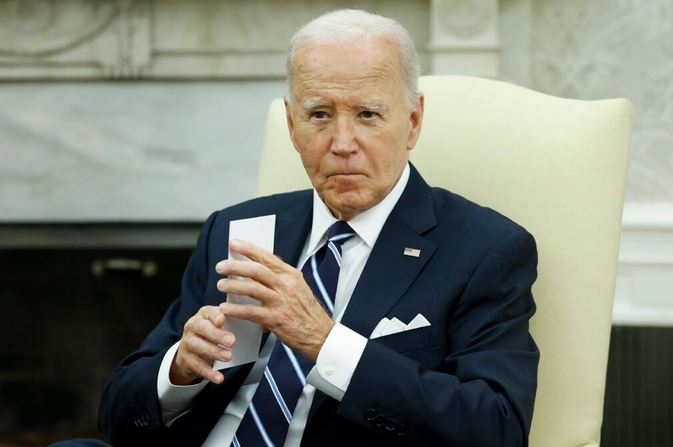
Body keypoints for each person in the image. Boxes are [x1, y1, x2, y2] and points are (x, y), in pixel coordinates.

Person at [95, 8, 539, 447]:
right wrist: (179, 371)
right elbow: (116, 416)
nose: (343, 144)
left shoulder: (484, 249)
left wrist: (324, 341)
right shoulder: (236, 229)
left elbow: (495, 427)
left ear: (413, 122)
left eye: (367, 114)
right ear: (292, 125)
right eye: (320, 115)